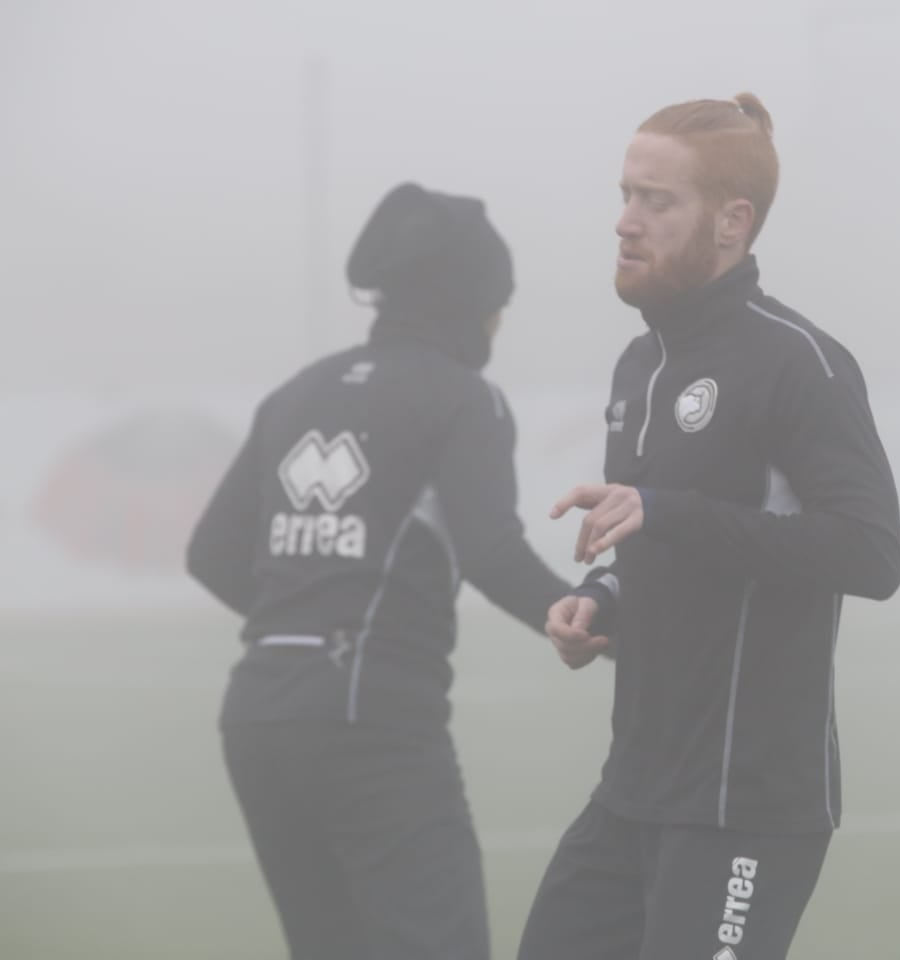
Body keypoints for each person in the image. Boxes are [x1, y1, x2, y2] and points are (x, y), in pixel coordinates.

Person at [185, 182, 613, 960]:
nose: (500, 322)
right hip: (373, 727)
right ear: (471, 301)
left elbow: (210, 554)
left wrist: (307, 616)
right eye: (498, 302)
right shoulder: (463, 399)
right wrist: (595, 617)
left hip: (256, 719)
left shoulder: (295, 394)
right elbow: (490, 550)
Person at [522, 92, 900, 960]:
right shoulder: (640, 362)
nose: (626, 222)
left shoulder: (797, 362)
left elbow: (872, 552)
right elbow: (662, 543)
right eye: (624, 194)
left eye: (656, 201)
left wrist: (668, 512)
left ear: (733, 221)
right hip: (635, 790)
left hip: (747, 804)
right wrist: (600, 600)